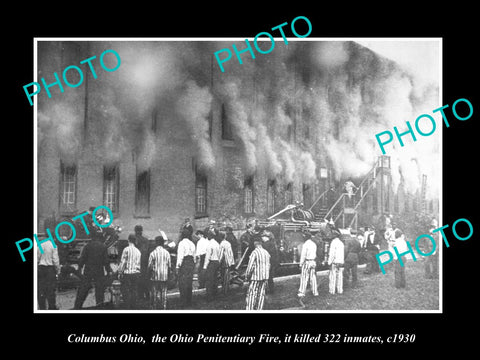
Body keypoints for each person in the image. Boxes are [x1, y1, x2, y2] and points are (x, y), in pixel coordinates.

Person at [74, 231, 112, 309]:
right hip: (99, 270)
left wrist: (79, 268)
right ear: (100, 238)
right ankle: (99, 306)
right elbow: (106, 261)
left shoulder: (87, 246)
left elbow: (82, 259)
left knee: (83, 289)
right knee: (99, 289)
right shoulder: (103, 247)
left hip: (88, 270)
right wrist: (108, 271)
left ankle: (77, 306)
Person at [245, 237, 271, 310]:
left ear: (255, 243)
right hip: (264, 277)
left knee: (252, 295)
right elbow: (269, 265)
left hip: (255, 277)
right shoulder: (266, 252)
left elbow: (250, 266)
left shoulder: (254, 252)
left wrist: (247, 276)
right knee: (261, 295)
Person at [118, 234, 142, 309]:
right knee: (134, 290)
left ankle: (127, 307)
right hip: (136, 274)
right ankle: (134, 306)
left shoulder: (126, 249)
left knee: (126, 291)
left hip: (127, 273)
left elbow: (123, 262)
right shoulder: (138, 251)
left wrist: (119, 272)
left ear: (128, 240)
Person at [148, 236, 171, 310]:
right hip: (164, 276)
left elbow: (150, 266)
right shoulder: (167, 253)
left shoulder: (152, 253)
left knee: (154, 293)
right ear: (162, 243)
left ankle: (154, 308)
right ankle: (164, 307)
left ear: (156, 243)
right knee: (164, 293)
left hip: (155, 276)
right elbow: (169, 266)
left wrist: (148, 275)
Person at [37, 238, 60, 310]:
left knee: (41, 290)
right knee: (51, 290)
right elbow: (55, 260)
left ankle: (42, 308)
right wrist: (58, 271)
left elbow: (37, 258)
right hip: (50, 269)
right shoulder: (53, 245)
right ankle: (52, 307)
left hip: (41, 269)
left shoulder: (40, 245)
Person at [176, 230, 196, 309]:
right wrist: (193, 264)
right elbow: (194, 256)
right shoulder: (192, 243)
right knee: (189, 282)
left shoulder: (181, 243)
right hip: (191, 262)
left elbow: (180, 256)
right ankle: (189, 300)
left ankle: (183, 301)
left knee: (182, 282)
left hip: (184, 262)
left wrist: (178, 266)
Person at [297, 231, 319, 304]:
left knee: (304, 277)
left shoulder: (305, 244)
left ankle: (302, 292)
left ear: (305, 237)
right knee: (313, 278)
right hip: (313, 261)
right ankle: (315, 292)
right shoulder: (313, 244)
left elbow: (303, 255)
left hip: (307, 262)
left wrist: (300, 264)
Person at [204, 229, 221, 301]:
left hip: (211, 262)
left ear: (210, 236)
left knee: (209, 280)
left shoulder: (209, 244)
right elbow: (220, 254)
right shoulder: (217, 244)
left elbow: (208, 256)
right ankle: (215, 294)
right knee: (215, 279)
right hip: (217, 262)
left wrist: (205, 266)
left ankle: (209, 296)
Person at [134, 225, 150, 302]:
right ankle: (147, 296)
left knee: (137, 280)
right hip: (144, 262)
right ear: (141, 231)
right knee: (145, 279)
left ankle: (139, 296)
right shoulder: (146, 240)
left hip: (136, 262)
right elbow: (147, 251)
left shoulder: (134, 240)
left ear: (135, 231)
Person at [261, 229, 278, 294]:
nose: (262, 238)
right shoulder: (272, 244)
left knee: (264, 276)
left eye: (263, 237)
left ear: (266, 237)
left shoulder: (264, 245)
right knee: (270, 277)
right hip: (271, 262)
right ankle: (271, 289)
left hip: (266, 263)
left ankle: (265, 290)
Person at [328, 230, 344, 295]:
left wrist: (329, 262)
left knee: (332, 277)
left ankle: (332, 291)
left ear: (334, 236)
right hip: (340, 262)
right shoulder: (341, 243)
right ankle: (340, 290)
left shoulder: (333, 243)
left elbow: (332, 254)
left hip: (334, 262)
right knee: (340, 277)